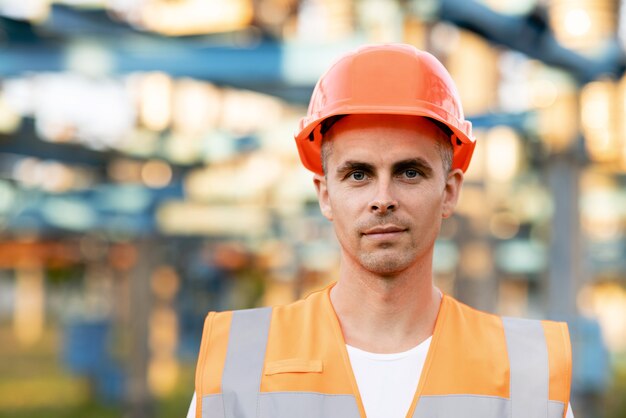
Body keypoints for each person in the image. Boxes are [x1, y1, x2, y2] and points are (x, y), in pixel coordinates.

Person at [187, 44, 574, 418]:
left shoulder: (527, 374)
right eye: (358, 174)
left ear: (450, 191)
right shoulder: (238, 365)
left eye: (409, 172)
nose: (383, 198)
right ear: (324, 195)